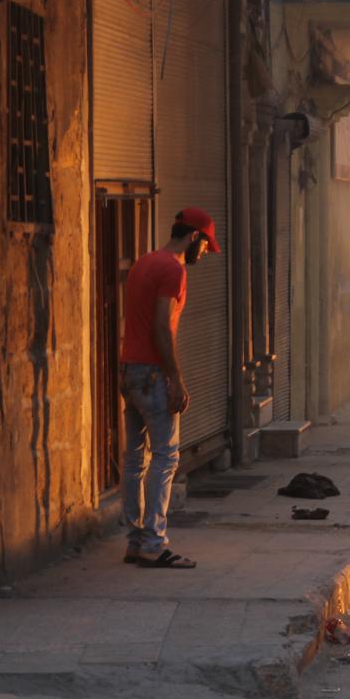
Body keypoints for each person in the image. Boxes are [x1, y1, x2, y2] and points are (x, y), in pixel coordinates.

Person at [119, 207, 220, 569]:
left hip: (129, 370)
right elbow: (161, 327)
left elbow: (133, 320)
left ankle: (135, 541)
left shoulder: (143, 263)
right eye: (206, 245)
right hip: (151, 374)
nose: (205, 253)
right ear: (194, 237)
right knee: (165, 458)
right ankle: (154, 542)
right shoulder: (173, 270)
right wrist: (175, 378)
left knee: (134, 461)